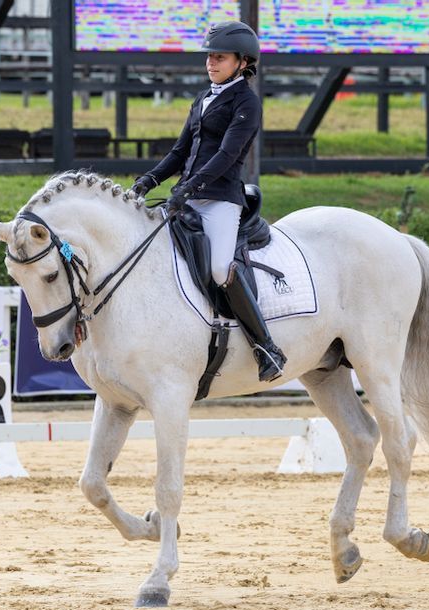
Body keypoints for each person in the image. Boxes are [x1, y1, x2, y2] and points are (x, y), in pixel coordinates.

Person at [127, 21, 286, 383]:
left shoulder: (246, 101)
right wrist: (150, 179)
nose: (211, 62)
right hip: (188, 196)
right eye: (210, 56)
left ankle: (266, 347)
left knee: (219, 270)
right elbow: (181, 150)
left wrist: (193, 186)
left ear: (242, 62)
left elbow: (230, 154)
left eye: (220, 57)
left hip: (220, 201)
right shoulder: (203, 98)